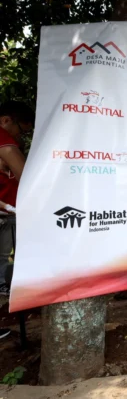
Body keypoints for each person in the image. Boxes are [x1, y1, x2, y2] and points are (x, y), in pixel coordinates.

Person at [0, 101, 34, 297]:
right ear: (6, 120)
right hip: (5, 210)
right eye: (21, 130)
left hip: (6, 209)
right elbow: (28, 180)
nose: (20, 136)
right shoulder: (7, 145)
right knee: (3, 255)